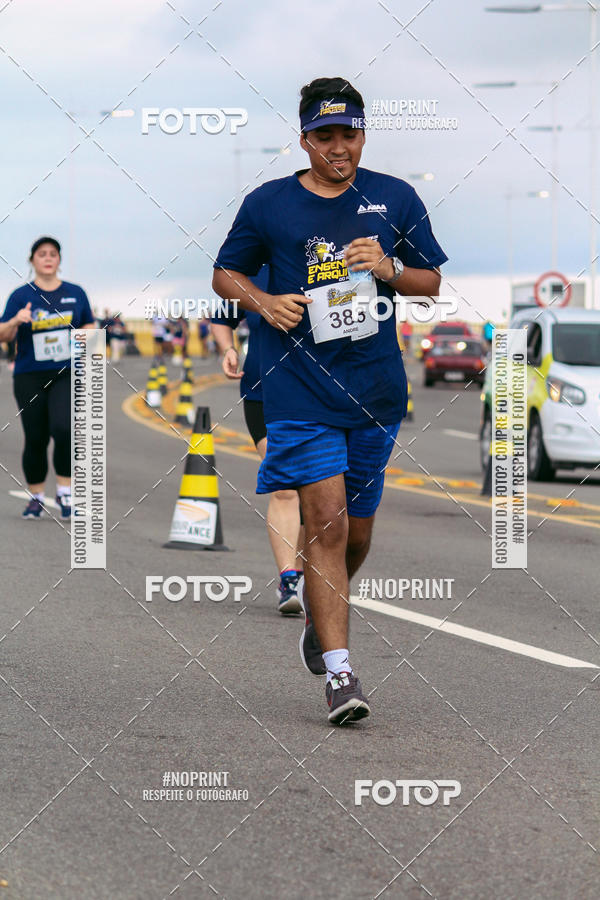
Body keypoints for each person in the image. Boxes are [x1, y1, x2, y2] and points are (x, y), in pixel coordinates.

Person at [213, 77, 447, 724]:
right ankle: (341, 676)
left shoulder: (395, 198)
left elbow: (430, 284)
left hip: (373, 389)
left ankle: (323, 619)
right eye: (325, 136)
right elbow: (223, 273)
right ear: (304, 139)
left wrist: (391, 270)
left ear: (363, 135)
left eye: (349, 134)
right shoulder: (268, 205)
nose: (338, 148)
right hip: (297, 387)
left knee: (357, 534)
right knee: (327, 521)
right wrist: (262, 302)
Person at [211, 268, 304, 615]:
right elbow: (222, 319)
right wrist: (228, 349)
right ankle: (289, 580)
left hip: (320, 395)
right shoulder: (250, 274)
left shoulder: (323, 259)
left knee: (318, 490)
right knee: (285, 487)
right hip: (262, 393)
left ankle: (317, 576)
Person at [0, 236, 95, 518]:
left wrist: (88, 341)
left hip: (66, 373)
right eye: (42, 254)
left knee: (64, 429)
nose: (48, 258)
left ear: (59, 260)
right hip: (29, 375)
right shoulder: (21, 295)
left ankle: (65, 494)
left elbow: (89, 324)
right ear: (32, 260)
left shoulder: (76, 293)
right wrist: (17, 320)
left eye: (53, 253)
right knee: (36, 436)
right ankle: (36, 496)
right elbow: (3, 333)